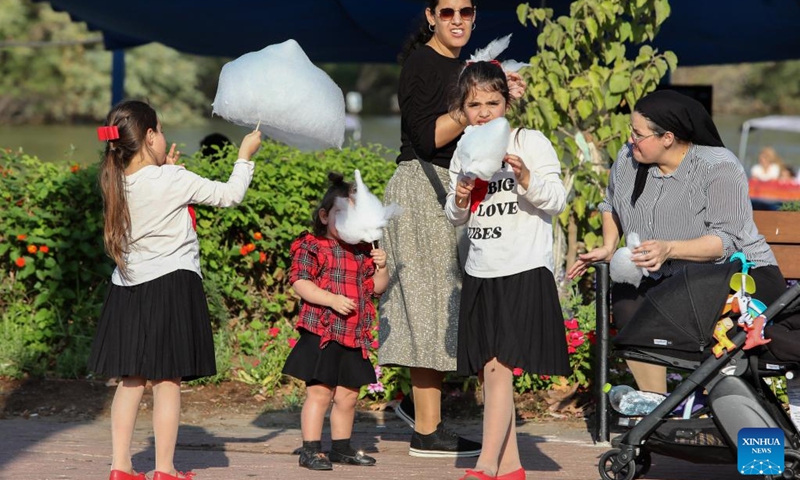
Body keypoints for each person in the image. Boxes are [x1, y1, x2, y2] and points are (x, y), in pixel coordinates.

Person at [566, 90, 789, 393]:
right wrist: (608, 246)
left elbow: (726, 242)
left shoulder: (717, 166)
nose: (630, 140)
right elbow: (610, 205)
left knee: (681, 298)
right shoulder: (628, 158)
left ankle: (719, 401)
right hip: (668, 276)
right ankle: (654, 405)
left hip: (737, 276)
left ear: (667, 138)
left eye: (638, 134)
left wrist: (669, 248)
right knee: (627, 294)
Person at [378, 0, 525, 458]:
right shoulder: (423, 62)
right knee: (430, 302)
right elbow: (425, 138)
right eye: (447, 12)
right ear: (430, 17)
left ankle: (416, 406)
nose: (457, 19)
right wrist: (471, 108)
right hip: (424, 189)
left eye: (466, 11)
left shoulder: (464, 66)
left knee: (452, 303)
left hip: (456, 188)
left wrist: (496, 96)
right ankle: (426, 431)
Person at [87, 100, 262, 480]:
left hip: (128, 289)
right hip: (171, 282)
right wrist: (245, 156)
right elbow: (229, 195)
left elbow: (151, 190)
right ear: (150, 137)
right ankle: (164, 470)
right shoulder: (174, 179)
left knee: (130, 381)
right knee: (167, 381)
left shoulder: (114, 180)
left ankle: (120, 467)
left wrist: (164, 166)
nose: (165, 138)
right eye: (161, 131)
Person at [444, 61, 570, 480]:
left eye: (492, 103)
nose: (483, 113)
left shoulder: (529, 140)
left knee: (499, 367)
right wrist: (461, 197)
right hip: (481, 267)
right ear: (462, 108)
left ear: (507, 101)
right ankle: (512, 467)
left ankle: (483, 467)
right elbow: (455, 215)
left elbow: (555, 200)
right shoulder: (464, 149)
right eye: (474, 104)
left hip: (522, 266)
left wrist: (525, 176)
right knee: (489, 371)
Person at [282, 172, 389, 471]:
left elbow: (376, 289)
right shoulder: (312, 245)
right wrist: (330, 299)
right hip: (323, 332)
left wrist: (382, 267)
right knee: (320, 392)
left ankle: (341, 448)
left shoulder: (363, 252)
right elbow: (300, 282)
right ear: (324, 215)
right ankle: (311, 449)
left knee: (348, 396)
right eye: (339, 213)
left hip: (353, 334)